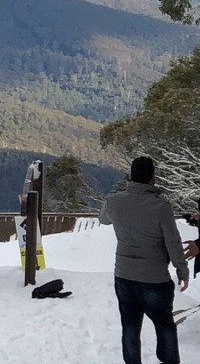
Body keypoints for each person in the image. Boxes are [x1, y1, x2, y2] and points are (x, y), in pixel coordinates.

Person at [100, 156, 189, 364]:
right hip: (154, 278)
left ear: (131, 175)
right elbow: (173, 243)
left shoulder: (114, 201)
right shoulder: (160, 207)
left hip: (123, 275)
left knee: (130, 327)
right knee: (165, 325)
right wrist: (182, 270)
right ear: (152, 178)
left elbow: (103, 219)